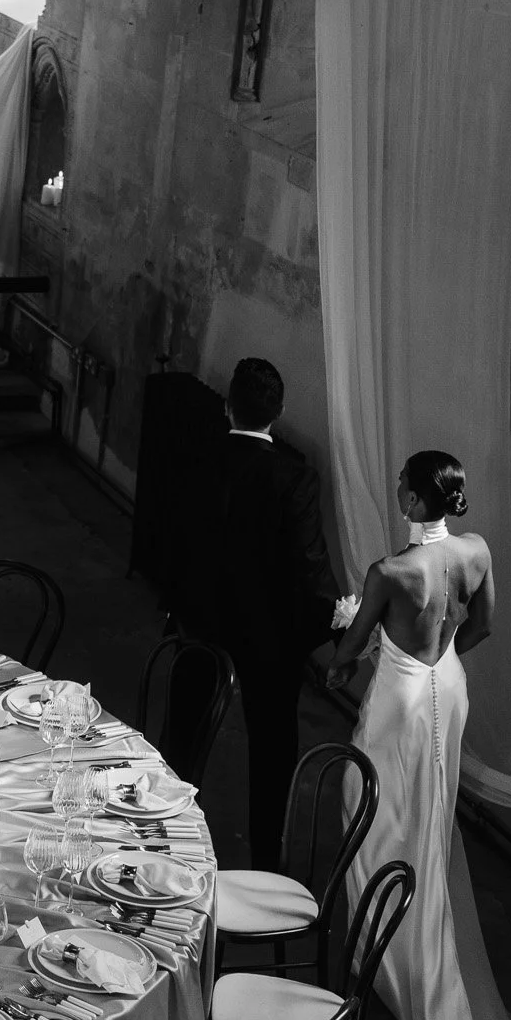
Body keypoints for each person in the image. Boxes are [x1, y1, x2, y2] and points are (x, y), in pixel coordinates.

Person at [328, 449, 511, 1020]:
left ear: (411, 499)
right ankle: (398, 933)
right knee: (425, 819)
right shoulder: (474, 551)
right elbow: (486, 626)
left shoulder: (391, 572)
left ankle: (380, 950)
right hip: (446, 686)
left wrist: (352, 650)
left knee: (368, 806)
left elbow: (348, 648)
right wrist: (436, 658)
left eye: (401, 488)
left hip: (402, 695)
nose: (398, 493)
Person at [197, 357, 340, 870]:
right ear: (277, 413)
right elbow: (309, 564)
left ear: (228, 405)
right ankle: (264, 864)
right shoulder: (295, 476)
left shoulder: (201, 455)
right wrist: (334, 627)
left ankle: (156, 842)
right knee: (273, 749)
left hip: (201, 625)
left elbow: (176, 539)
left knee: (184, 738)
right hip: (269, 637)